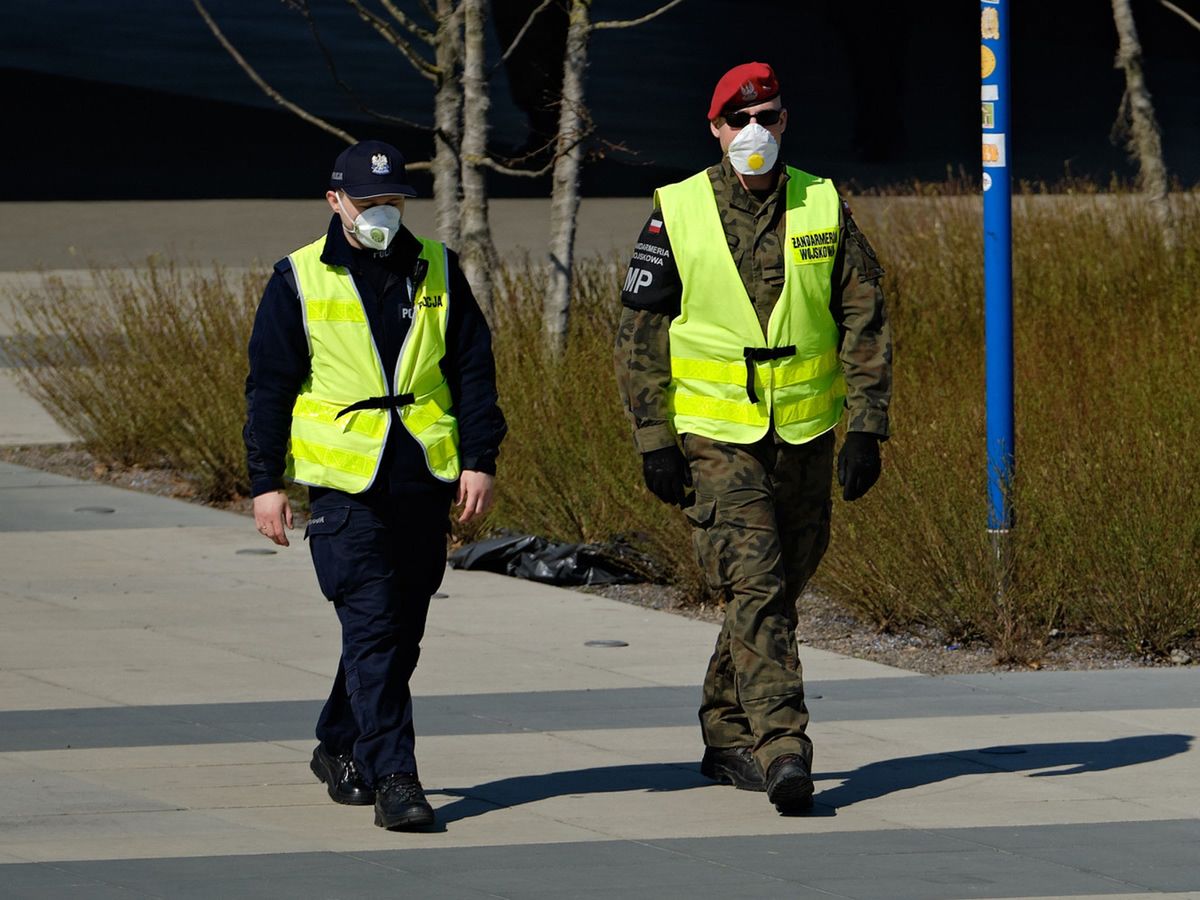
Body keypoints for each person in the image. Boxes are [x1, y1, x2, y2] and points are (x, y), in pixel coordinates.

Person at [613, 63, 892, 814]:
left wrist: (867, 425)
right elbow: (638, 334)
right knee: (758, 585)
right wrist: (654, 437)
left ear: (785, 119)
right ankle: (783, 750)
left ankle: (725, 726)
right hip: (716, 434)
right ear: (715, 129)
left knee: (774, 586)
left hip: (804, 429)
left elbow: (864, 315)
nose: (753, 132)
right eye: (739, 121)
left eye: (766, 116)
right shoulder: (678, 211)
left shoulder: (823, 203)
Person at [244, 139, 506, 831]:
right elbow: (268, 388)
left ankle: (338, 741)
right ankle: (396, 777)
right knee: (373, 626)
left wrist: (480, 458)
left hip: (422, 477)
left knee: (400, 630)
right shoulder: (298, 278)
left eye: (392, 203)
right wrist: (264, 483)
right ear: (335, 201)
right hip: (344, 488)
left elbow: (474, 369)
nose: (381, 215)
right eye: (368, 203)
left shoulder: (438, 268)